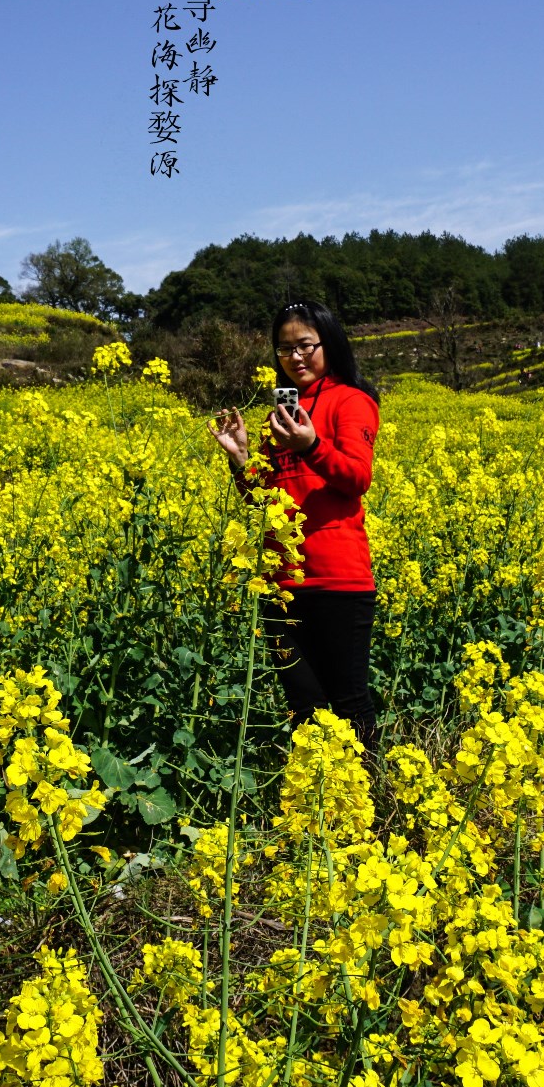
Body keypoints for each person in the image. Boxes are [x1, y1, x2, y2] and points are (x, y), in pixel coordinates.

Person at [210, 300, 382, 751]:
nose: (295, 357)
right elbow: (262, 500)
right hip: (280, 581)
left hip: (336, 579)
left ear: (330, 344)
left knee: (348, 703)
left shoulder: (352, 401)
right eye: (284, 349)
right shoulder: (280, 417)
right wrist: (241, 458)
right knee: (302, 705)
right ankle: (315, 806)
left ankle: (370, 806)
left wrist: (311, 446)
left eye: (305, 345)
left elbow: (356, 478)